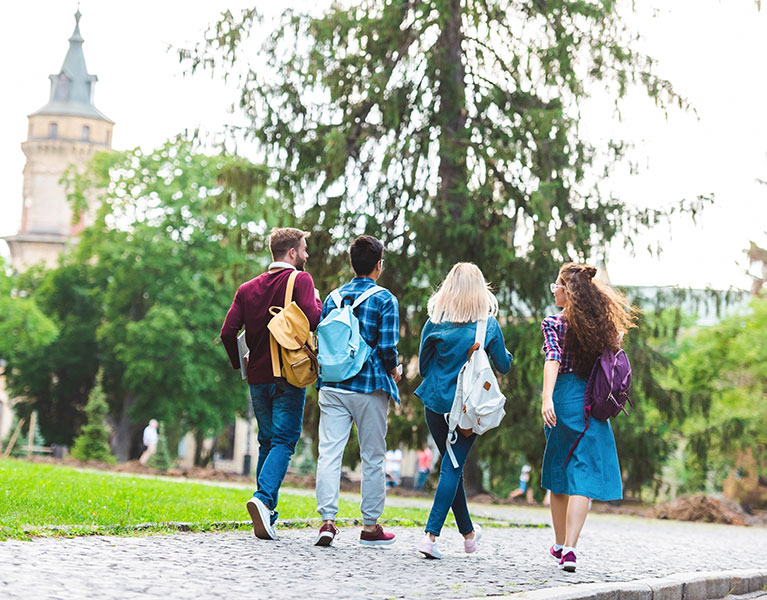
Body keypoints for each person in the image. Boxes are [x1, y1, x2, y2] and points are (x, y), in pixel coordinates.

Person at [220, 227, 323, 540]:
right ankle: (263, 500)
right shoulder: (301, 280)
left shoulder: (247, 288)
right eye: (304, 249)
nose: (306, 255)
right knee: (284, 441)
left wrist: (242, 366)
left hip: (258, 378)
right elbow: (313, 320)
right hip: (288, 376)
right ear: (291, 252)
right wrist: (317, 302)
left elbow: (227, 333)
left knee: (267, 441)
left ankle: (267, 515)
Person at [540, 263, 637, 572]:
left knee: (559, 472)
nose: (554, 290)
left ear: (568, 292)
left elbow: (552, 360)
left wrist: (546, 398)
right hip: (593, 403)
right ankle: (569, 548)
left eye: (556, 285)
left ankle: (558, 543)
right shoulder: (601, 327)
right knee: (582, 474)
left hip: (563, 398)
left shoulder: (554, 323)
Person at [414, 263, 513, 559]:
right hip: (467, 411)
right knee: (452, 468)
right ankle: (429, 538)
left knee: (451, 467)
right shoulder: (488, 325)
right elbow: (503, 366)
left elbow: (422, 368)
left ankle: (469, 536)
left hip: (434, 405)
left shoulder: (434, 322)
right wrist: (502, 352)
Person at [314, 235, 402, 547]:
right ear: (378, 265)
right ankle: (370, 526)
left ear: (352, 263)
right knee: (373, 456)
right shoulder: (384, 299)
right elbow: (388, 348)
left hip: (333, 385)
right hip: (369, 386)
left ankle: (327, 521)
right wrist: (394, 370)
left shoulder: (332, 298)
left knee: (329, 453)